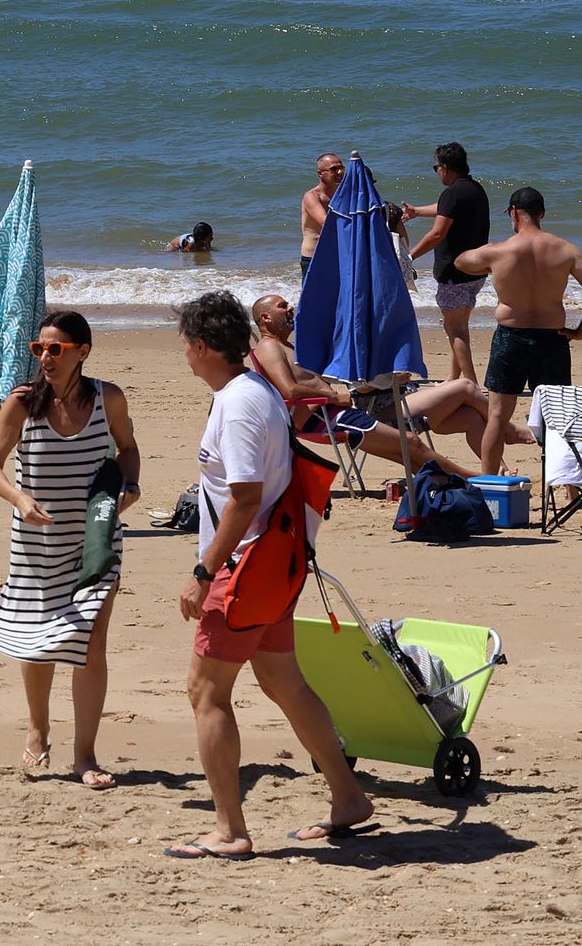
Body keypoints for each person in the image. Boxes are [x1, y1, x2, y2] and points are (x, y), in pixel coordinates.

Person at [167, 291, 375, 860]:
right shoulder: (257, 389)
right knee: (285, 682)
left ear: (204, 346)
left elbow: (244, 498)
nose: (184, 354)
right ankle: (349, 798)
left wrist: (202, 572)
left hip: (245, 568)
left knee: (205, 692)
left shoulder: (237, 403)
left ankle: (230, 829)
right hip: (278, 564)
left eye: (186, 344)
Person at [0, 311, 141, 791]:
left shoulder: (109, 398)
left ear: (83, 351)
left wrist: (131, 484)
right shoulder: (23, 402)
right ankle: (38, 727)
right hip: (36, 544)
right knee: (36, 640)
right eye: (38, 349)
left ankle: (85, 756)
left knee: (89, 647)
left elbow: (127, 448)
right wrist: (19, 498)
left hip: (95, 543)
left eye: (55, 349)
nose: (45, 358)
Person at [248, 294, 533, 478]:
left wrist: (362, 386)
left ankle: (488, 471)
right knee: (410, 442)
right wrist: (334, 395)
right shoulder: (270, 348)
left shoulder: (286, 346)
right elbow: (290, 391)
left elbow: (310, 384)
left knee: (446, 428)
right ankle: (481, 474)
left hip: (339, 409)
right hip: (325, 417)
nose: (291, 308)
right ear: (265, 318)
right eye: (282, 306)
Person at [453, 187, 582, 478]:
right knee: (558, 420)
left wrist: (489, 266)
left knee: (498, 417)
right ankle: (567, 486)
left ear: (513, 212)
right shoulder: (566, 250)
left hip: (510, 339)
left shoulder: (499, 251)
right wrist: (580, 331)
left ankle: (489, 482)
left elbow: (461, 261)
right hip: (552, 340)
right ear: (542, 213)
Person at [401, 142, 491, 382]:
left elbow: (437, 234)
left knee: (455, 329)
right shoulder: (474, 189)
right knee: (458, 326)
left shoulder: (452, 193)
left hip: (455, 272)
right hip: (477, 272)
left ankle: (469, 382)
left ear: (445, 168)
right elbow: (445, 209)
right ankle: (454, 376)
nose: (437, 172)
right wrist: (417, 211)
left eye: (436, 168)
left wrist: (409, 257)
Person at [300, 153, 344, 278]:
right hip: (314, 258)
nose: (340, 172)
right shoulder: (312, 197)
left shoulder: (343, 195)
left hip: (337, 255)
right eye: (334, 169)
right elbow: (327, 223)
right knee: (313, 298)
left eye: (342, 168)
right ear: (320, 173)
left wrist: (392, 219)